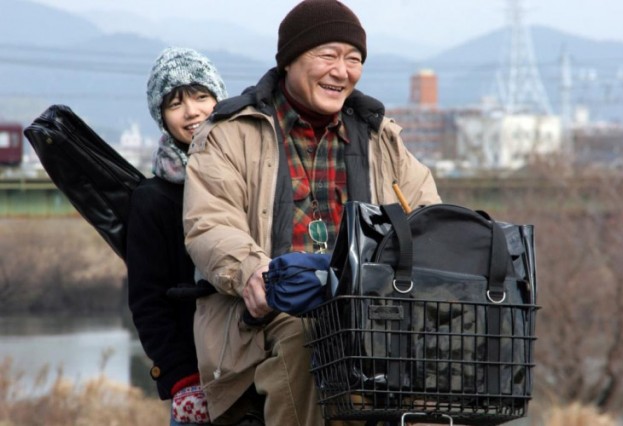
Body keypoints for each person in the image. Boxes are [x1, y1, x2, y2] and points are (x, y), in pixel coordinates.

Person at [182, 1, 441, 425]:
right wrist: (251, 271)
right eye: (328, 55)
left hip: (368, 312)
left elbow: (428, 215)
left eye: (353, 59)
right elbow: (209, 224)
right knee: (305, 334)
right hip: (262, 318)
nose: (342, 71)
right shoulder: (231, 133)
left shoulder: (381, 138)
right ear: (289, 60)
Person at [126, 47, 262, 426]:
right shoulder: (153, 200)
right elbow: (148, 301)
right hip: (200, 379)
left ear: (219, 97)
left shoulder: (252, 174)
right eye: (175, 102)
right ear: (161, 116)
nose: (192, 112)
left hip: (265, 364)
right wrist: (181, 380)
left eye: (201, 96)